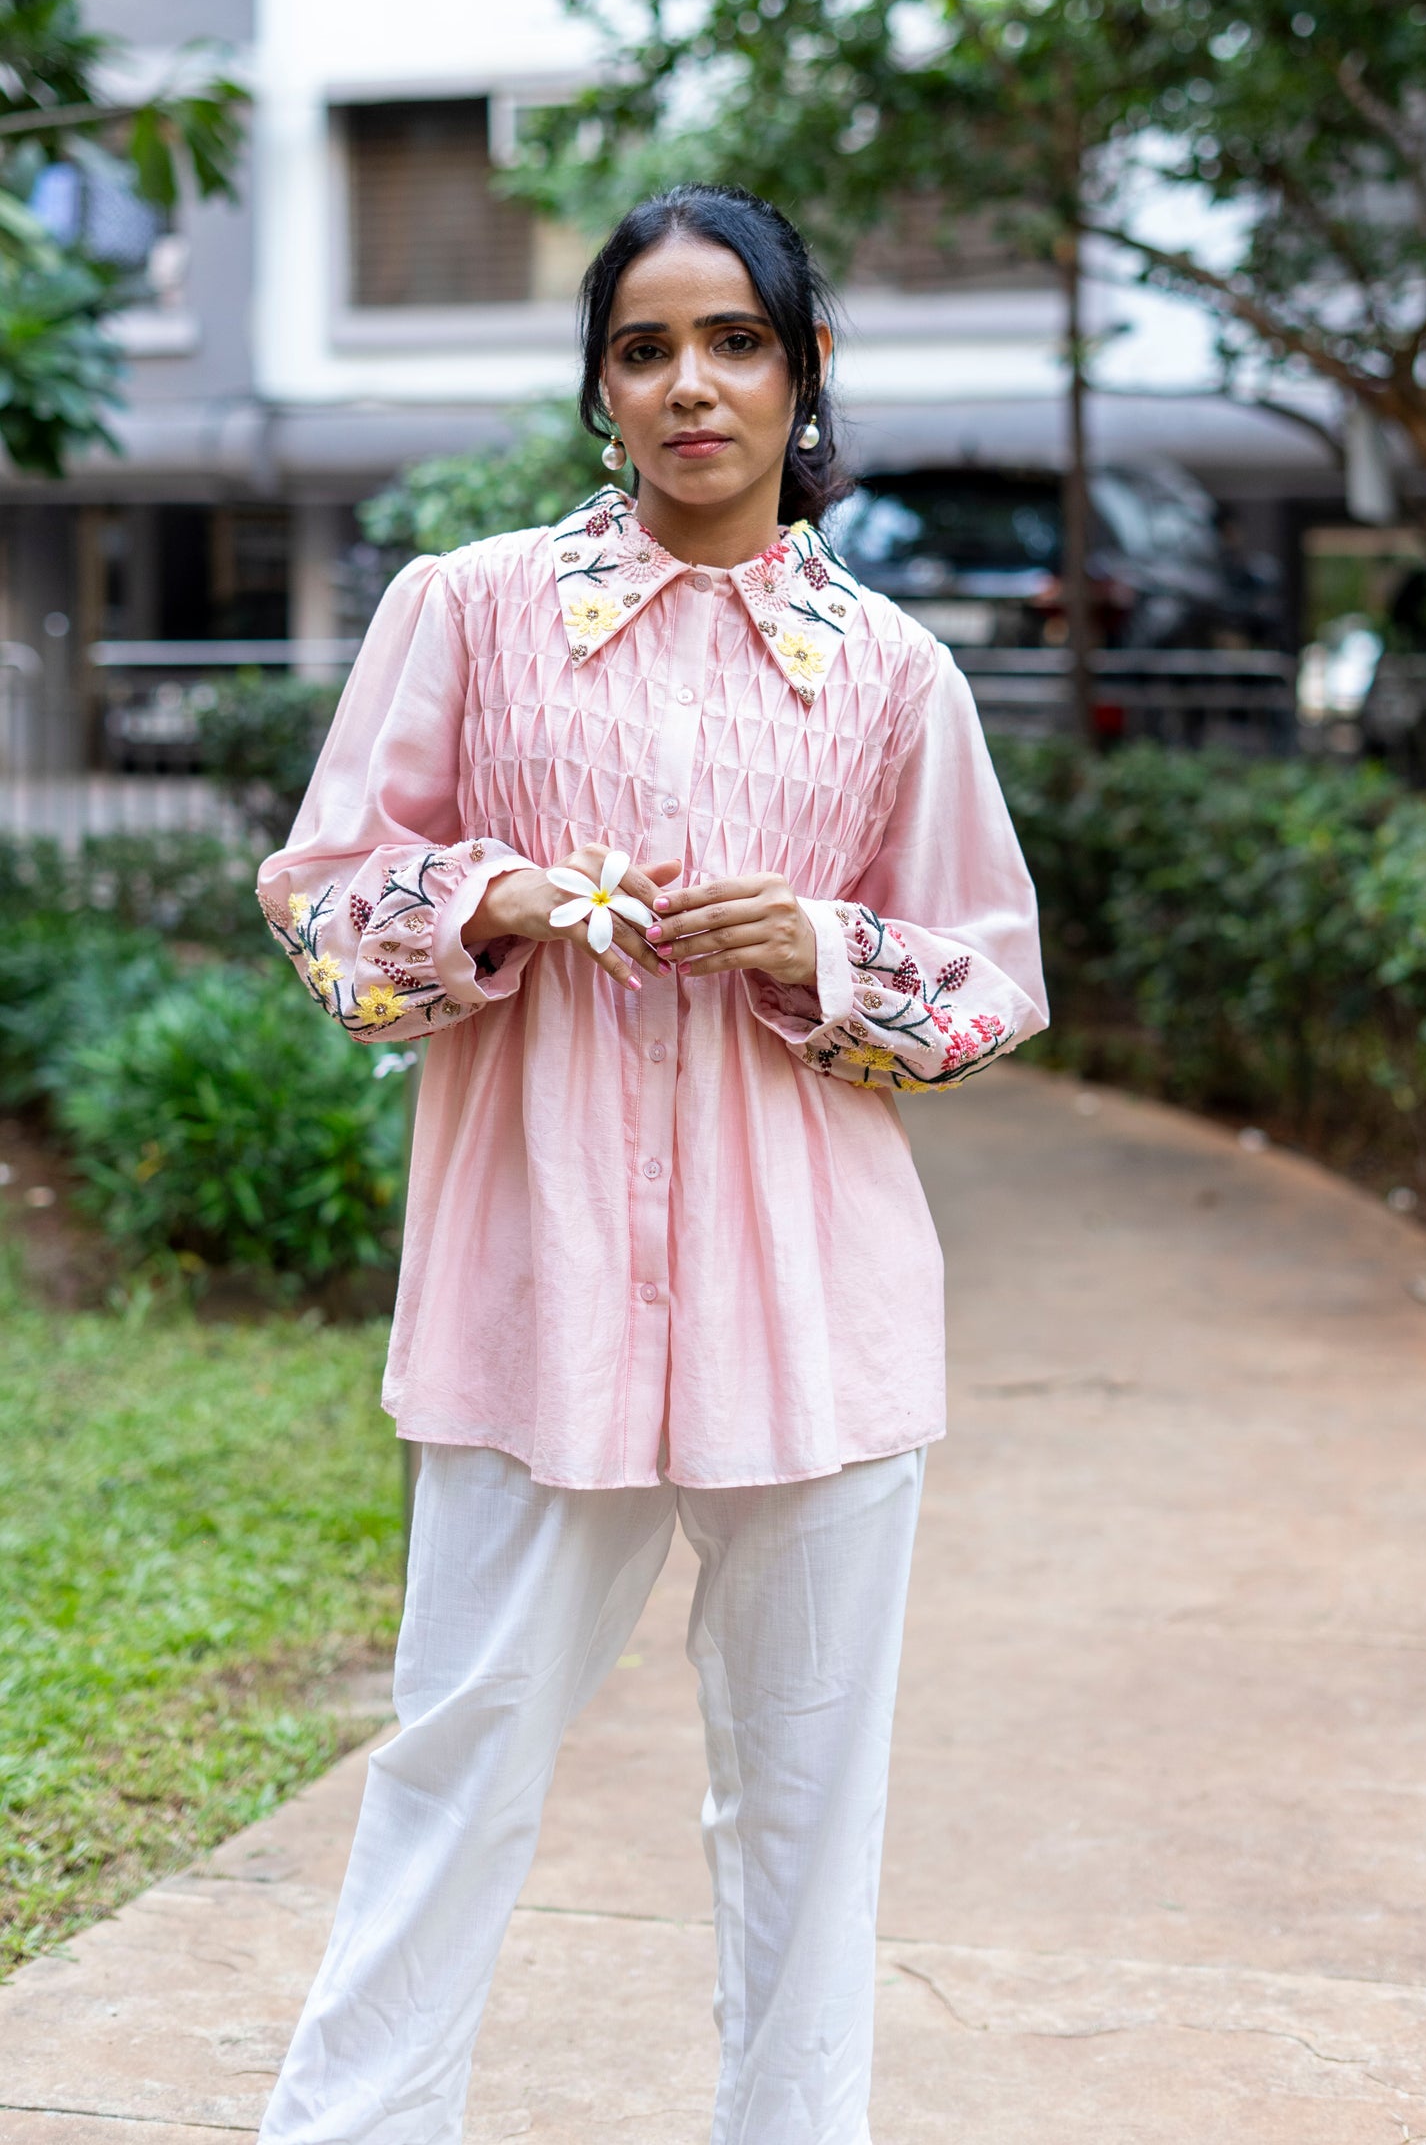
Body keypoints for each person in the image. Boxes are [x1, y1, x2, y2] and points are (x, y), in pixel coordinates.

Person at [255, 183, 1047, 2145]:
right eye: (645, 348)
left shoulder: (891, 671)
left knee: (806, 1808)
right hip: (536, 1290)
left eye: (734, 342)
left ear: (804, 369)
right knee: (456, 1760)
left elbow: (987, 977)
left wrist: (821, 949)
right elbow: (327, 903)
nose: (692, 384)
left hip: (817, 1308)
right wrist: (490, 900)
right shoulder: (468, 608)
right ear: (601, 388)